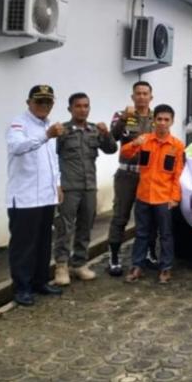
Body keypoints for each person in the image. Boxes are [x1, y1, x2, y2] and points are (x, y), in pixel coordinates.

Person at [5, 85, 64, 306]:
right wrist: (45, 135)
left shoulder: (49, 125)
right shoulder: (19, 123)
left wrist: (57, 184)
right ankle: (22, 287)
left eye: (48, 102)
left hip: (46, 196)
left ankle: (40, 281)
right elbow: (17, 147)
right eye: (39, 102)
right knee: (23, 245)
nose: (44, 106)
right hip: (25, 197)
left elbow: (53, 159)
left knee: (42, 242)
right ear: (28, 102)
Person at [53, 93, 118, 285]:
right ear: (70, 109)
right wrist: (56, 184)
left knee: (86, 225)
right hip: (69, 187)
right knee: (65, 227)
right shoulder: (61, 131)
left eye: (86, 106)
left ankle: (79, 263)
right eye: (78, 106)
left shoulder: (94, 130)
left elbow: (111, 149)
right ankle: (61, 266)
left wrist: (106, 133)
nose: (82, 109)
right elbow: (50, 158)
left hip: (89, 186)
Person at [121, 104, 185, 284]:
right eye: (159, 119)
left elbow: (177, 175)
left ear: (172, 122)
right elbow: (125, 153)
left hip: (164, 199)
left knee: (165, 235)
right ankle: (137, 267)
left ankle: (165, 268)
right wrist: (134, 143)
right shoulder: (145, 140)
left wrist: (174, 198)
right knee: (141, 233)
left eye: (166, 120)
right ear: (154, 120)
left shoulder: (177, 146)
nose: (162, 123)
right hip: (143, 196)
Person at [107, 81, 156, 276]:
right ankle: (114, 258)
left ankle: (149, 255)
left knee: (149, 218)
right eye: (138, 93)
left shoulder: (157, 118)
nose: (142, 97)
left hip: (149, 174)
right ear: (132, 97)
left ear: (151, 97)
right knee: (120, 216)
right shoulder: (122, 115)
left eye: (145, 93)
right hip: (126, 174)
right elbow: (112, 138)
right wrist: (123, 119)